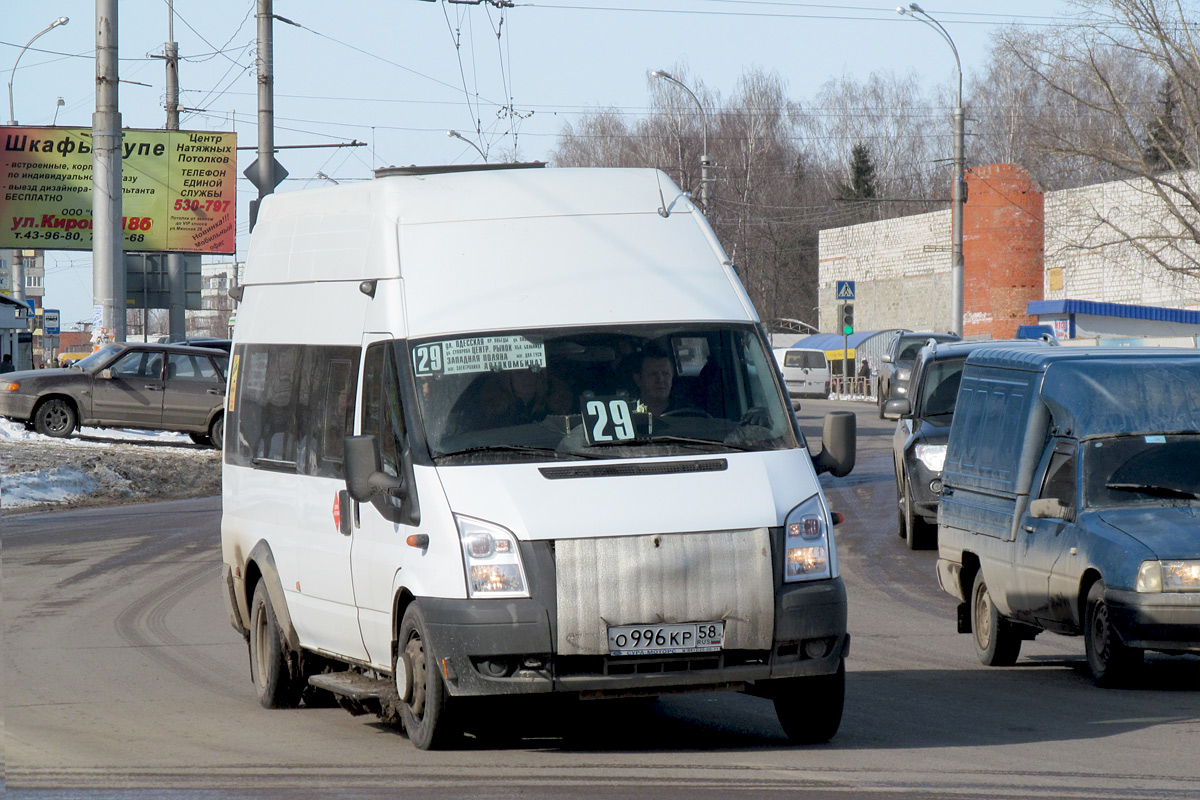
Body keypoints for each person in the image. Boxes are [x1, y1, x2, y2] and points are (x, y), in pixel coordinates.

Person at [632, 344, 676, 415]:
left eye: (665, 374)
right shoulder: (627, 415)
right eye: (653, 374)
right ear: (638, 380)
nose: (660, 379)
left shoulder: (687, 413)